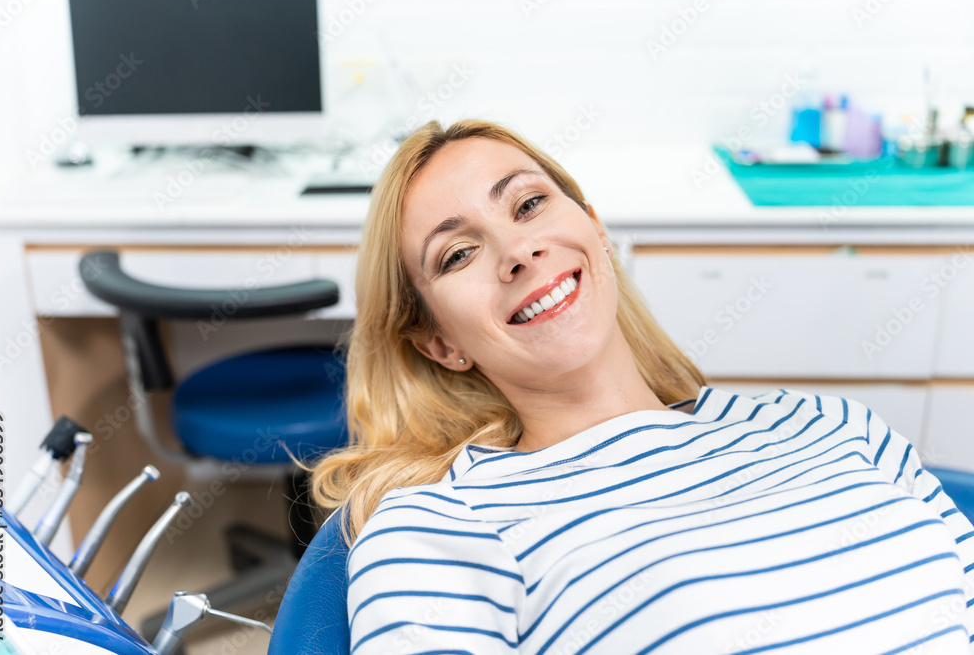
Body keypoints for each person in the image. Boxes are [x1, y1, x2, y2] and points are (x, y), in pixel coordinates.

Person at [309, 119, 974, 654]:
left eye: (530, 203)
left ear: (594, 226)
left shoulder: (830, 425)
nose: (518, 251)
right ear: (441, 343)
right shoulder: (441, 526)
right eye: (459, 253)